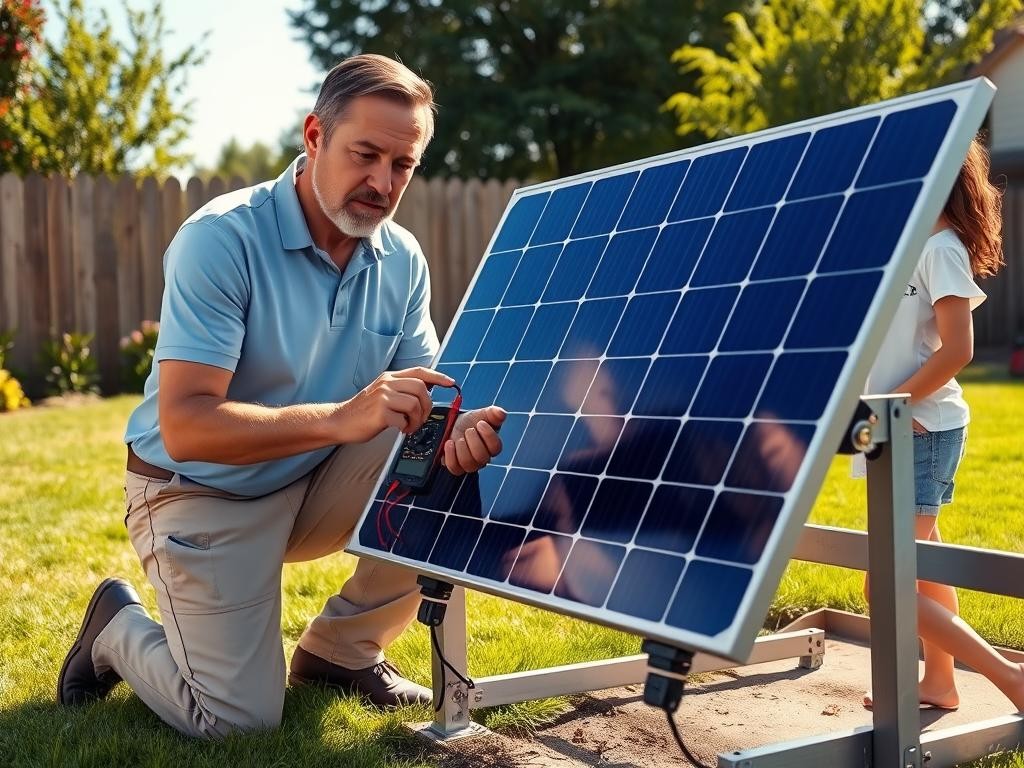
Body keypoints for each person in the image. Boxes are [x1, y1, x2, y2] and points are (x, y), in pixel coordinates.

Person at [56, 54, 507, 738]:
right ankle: (117, 627)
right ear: (315, 137)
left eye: (403, 165)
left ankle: (341, 654)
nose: (382, 183)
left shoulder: (401, 259)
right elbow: (186, 427)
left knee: (444, 461)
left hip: (311, 479)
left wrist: (461, 430)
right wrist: (342, 416)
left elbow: (424, 403)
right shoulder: (222, 239)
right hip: (199, 488)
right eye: (366, 154)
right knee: (236, 720)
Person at [861, 137, 1023, 712]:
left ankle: (1010, 679)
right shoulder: (911, 247)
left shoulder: (943, 250)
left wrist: (888, 407)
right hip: (895, 425)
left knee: (886, 583)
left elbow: (957, 350)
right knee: (921, 566)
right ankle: (941, 682)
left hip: (918, 426)